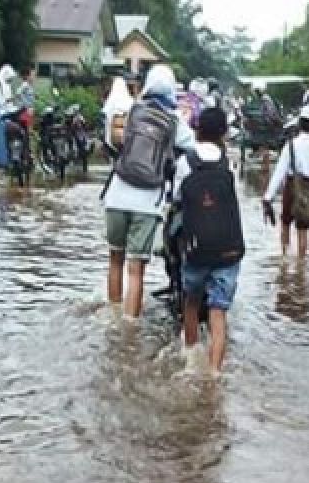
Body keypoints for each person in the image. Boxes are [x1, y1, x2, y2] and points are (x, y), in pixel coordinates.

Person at [102, 63, 196, 320]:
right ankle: (130, 327)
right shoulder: (174, 122)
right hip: (147, 201)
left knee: (115, 260)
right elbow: (195, 151)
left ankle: (112, 318)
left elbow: (112, 143)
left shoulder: (131, 111)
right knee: (136, 271)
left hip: (116, 196)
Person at [174, 107, 243, 377]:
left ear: (197, 129)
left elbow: (177, 198)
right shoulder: (229, 163)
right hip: (228, 247)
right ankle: (214, 374)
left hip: (196, 247)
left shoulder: (186, 162)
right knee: (218, 311)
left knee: (191, 300)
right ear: (224, 133)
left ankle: (191, 359)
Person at [261, 105, 309, 260]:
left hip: (290, 188)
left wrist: (268, 196)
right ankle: (301, 266)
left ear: (299, 124)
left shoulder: (290, 146)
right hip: (307, 190)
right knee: (303, 229)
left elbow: (279, 172)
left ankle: (284, 259)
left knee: (285, 223)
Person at [0, 64, 17, 168]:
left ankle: (8, 160)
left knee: (8, 141)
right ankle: (0, 163)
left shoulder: (7, 86)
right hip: (0, 117)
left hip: (8, 115)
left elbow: (10, 102)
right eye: (9, 78)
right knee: (0, 142)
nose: (10, 80)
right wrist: (6, 101)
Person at [102, 75, 134, 150]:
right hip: (128, 138)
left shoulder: (110, 102)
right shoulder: (131, 101)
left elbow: (106, 116)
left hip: (113, 138)